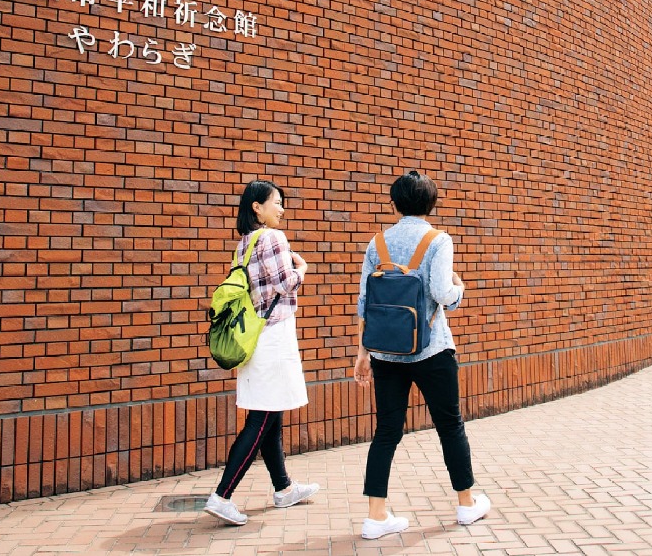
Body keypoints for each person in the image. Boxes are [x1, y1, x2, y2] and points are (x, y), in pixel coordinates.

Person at [353, 170, 490, 539]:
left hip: (386, 352)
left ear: (393, 204)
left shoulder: (376, 243)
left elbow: (365, 302)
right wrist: (460, 291)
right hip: (432, 350)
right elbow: (443, 293)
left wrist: (362, 353)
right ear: (431, 205)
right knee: (450, 426)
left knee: (386, 432)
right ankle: (465, 504)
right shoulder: (438, 240)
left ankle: (375, 516)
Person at [204, 179, 319, 525]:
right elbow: (285, 283)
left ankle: (283, 488)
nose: (281, 209)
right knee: (263, 417)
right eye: (276, 202)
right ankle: (222, 495)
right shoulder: (273, 237)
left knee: (271, 412)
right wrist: (302, 269)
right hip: (274, 338)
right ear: (257, 207)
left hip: (254, 339)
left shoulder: (244, 244)